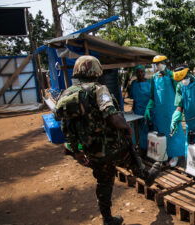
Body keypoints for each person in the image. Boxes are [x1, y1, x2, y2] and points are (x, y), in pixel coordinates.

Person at [55, 56, 135, 225]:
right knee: (132, 155)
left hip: (91, 150)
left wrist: (76, 151)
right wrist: (126, 127)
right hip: (111, 147)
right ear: (96, 70)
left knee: (103, 182)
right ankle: (146, 175)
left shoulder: (67, 93)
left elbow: (66, 126)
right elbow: (113, 117)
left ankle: (107, 219)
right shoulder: (99, 90)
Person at [144, 55, 185, 167]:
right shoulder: (154, 78)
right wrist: (149, 107)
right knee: (161, 133)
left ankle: (175, 155)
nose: (159, 65)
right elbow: (152, 95)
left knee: (174, 133)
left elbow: (179, 93)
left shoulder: (172, 75)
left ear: (165, 62)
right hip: (159, 111)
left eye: (161, 63)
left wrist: (179, 109)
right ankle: (163, 154)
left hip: (171, 109)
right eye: (157, 64)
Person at [129, 65, 151, 151]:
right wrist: (132, 110)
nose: (140, 73)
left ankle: (150, 148)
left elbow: (153, 98)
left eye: (142, 71)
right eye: (138, 72)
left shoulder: (149, 83)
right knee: (138, 130)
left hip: (148, 110)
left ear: (144, 72)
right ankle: (141, 147)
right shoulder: (134, 84)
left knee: (149, 128)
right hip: (137, 110)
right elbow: (134, 98)